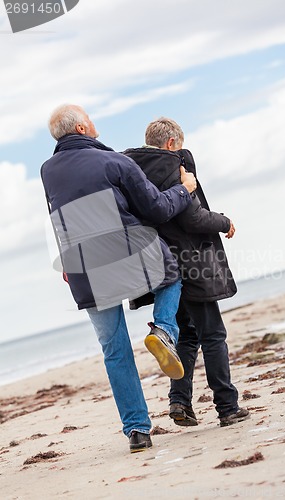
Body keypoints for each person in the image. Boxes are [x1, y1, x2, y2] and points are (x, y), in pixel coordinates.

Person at [40, 105, 197, 453]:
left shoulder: (47, 170)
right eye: (91, 119)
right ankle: (164, 332)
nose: (95, 124)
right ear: (82, 127)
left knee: (114, 348)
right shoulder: (115, 162)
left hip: (83, 268)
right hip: (127, 253)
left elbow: (57, 213)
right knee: (171, 274)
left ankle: (137, 430)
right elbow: (156, 208)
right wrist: (184, 189)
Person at [124, 117, 249, 428]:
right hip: (190, 261)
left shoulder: (131, 171)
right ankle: (227, 406)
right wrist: (224, 221)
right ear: (170, 144)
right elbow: (192, 219)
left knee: (186, 334)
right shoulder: (173, 166)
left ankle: (180, 403)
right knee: (213, 334)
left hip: (160, 268)